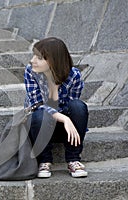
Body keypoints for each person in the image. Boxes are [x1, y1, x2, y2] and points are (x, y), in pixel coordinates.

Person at [24, 37, 88, 178]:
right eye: (34, 55)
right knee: (40, 114)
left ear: (54, 60)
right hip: (38, 126)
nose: (32, 60)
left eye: (39, 58)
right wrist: (64, 118)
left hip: (63, 129)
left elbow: (72, 105)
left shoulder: (74, 75)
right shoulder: (31, 71)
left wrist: (66, 119)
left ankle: (73, 159)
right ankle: (44, 160)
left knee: (79, 106)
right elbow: (37, 105)